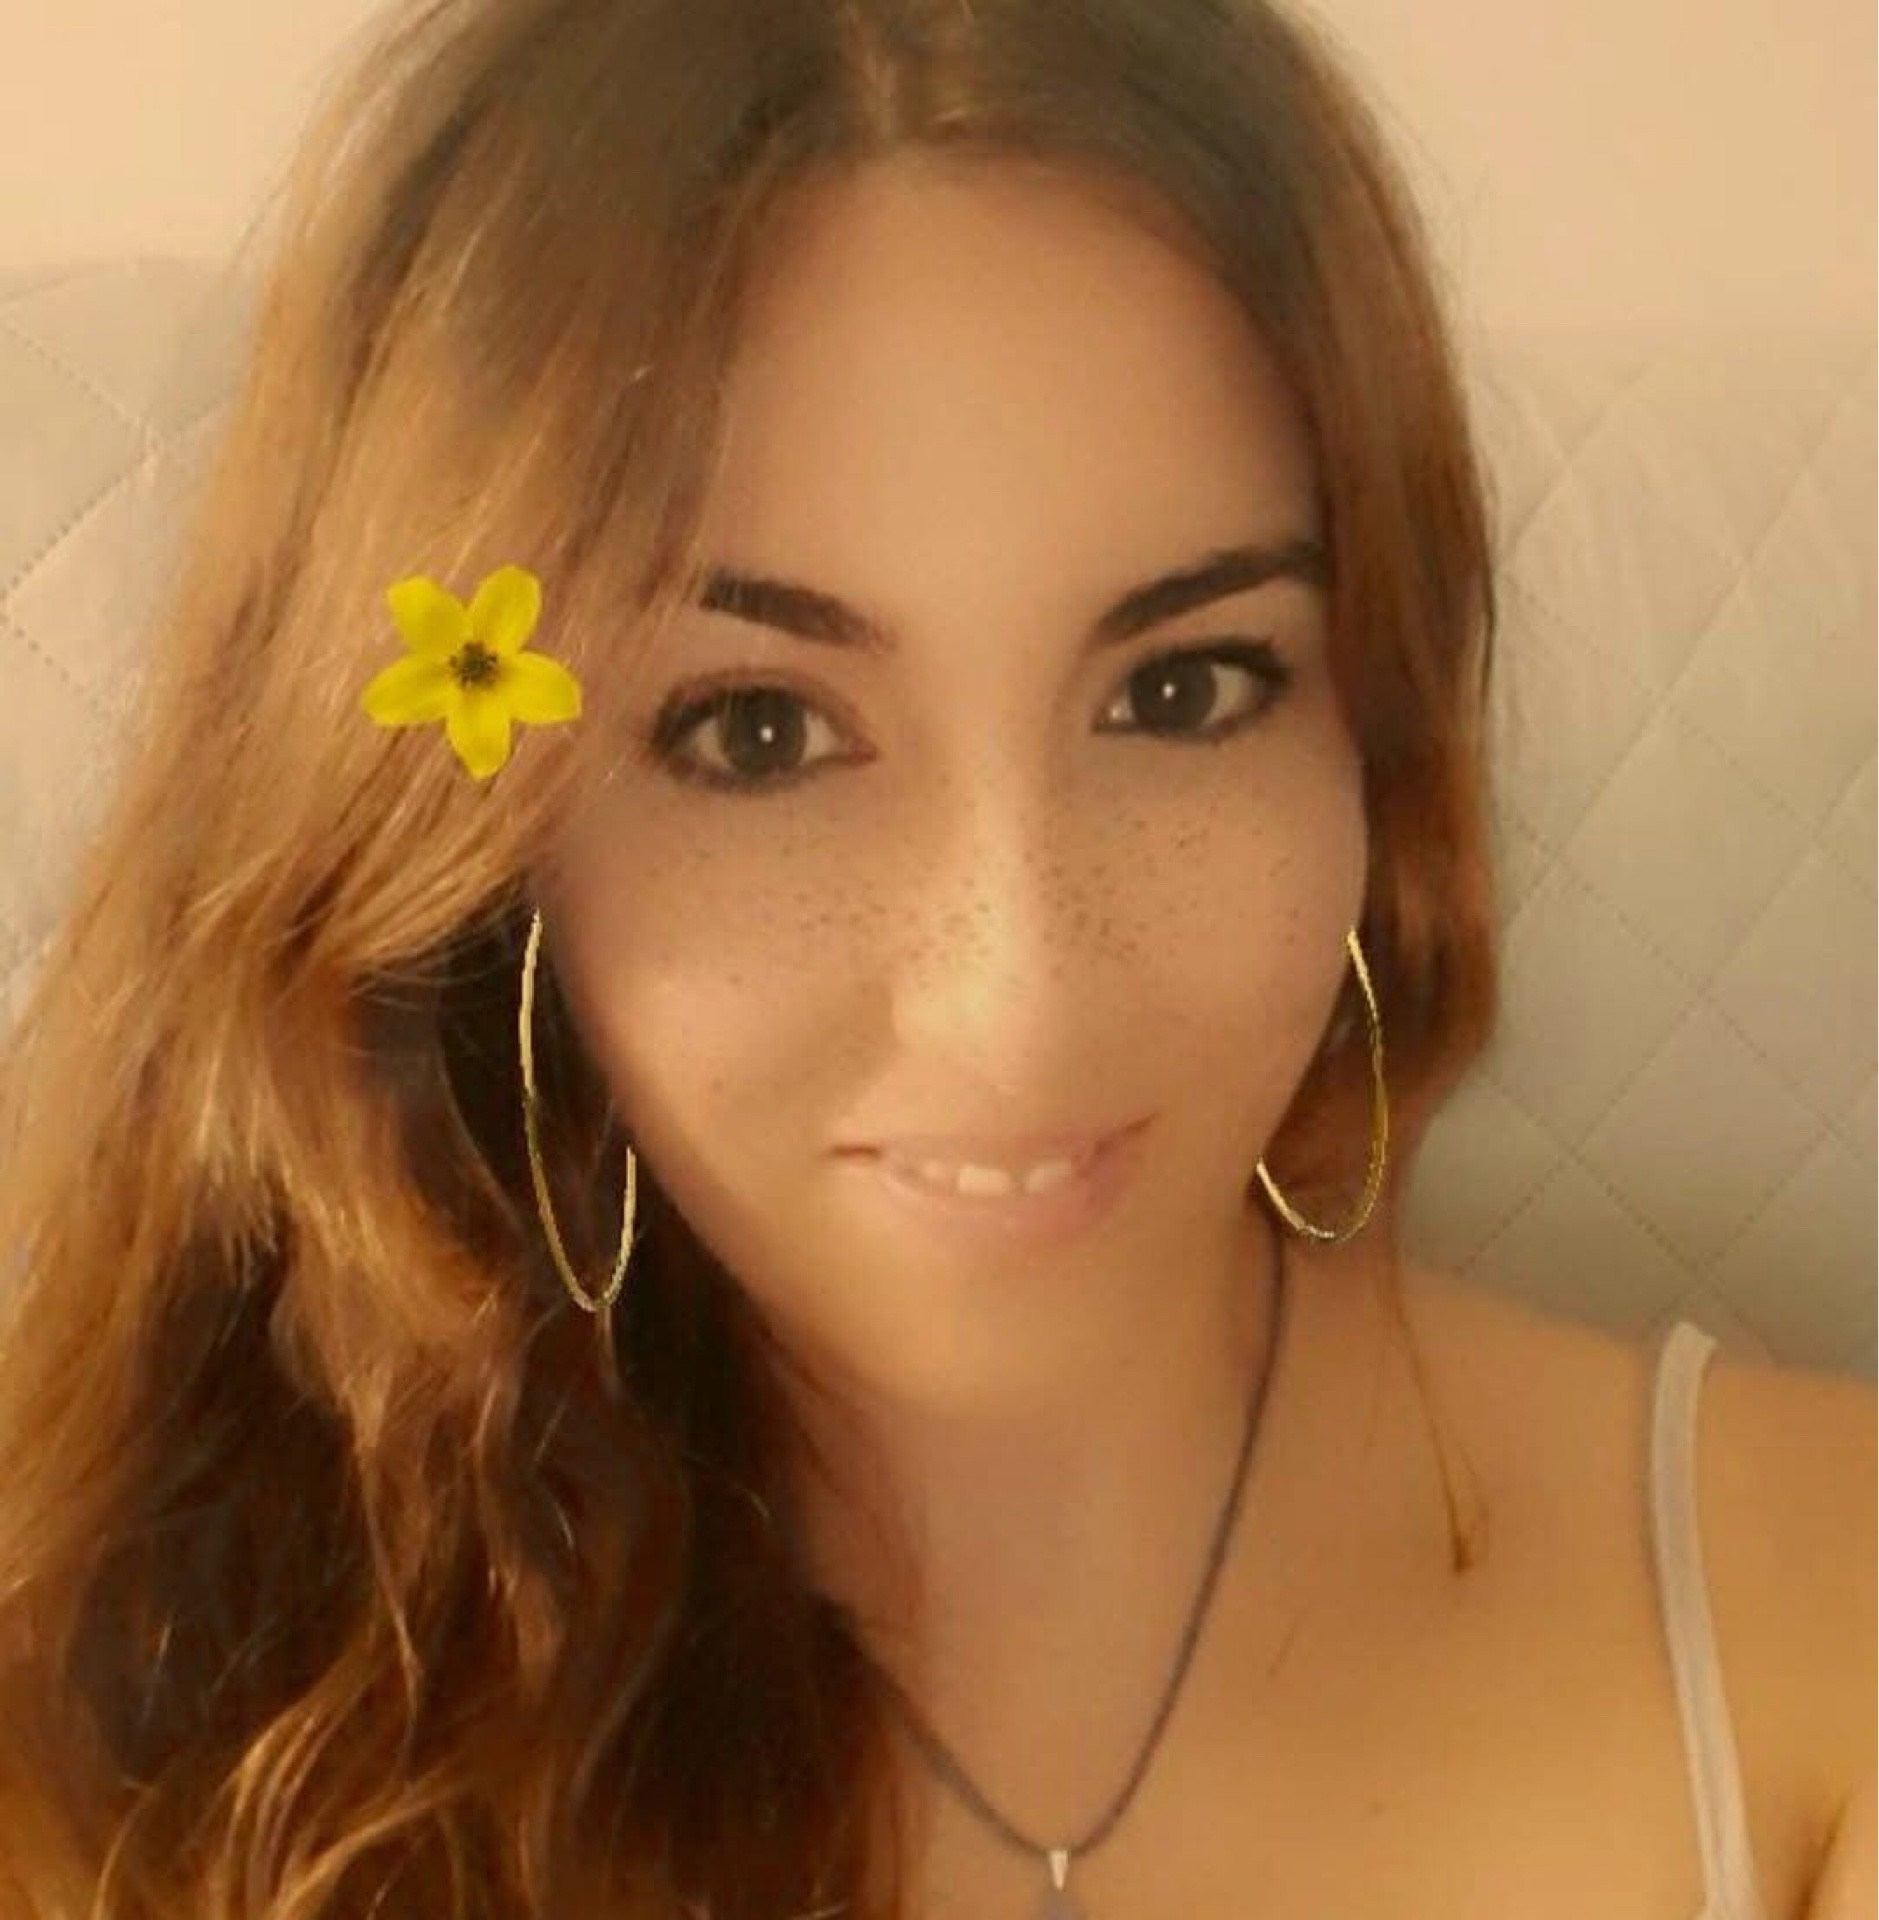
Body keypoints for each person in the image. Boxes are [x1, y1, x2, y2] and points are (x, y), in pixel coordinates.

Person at [0, 2, 1868, 1917]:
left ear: (1375, 742)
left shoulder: (1824, 1634)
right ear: (466, 840)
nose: (1019, 1002)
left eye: (1183, 690)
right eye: (756, 732)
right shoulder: (117, 1732)